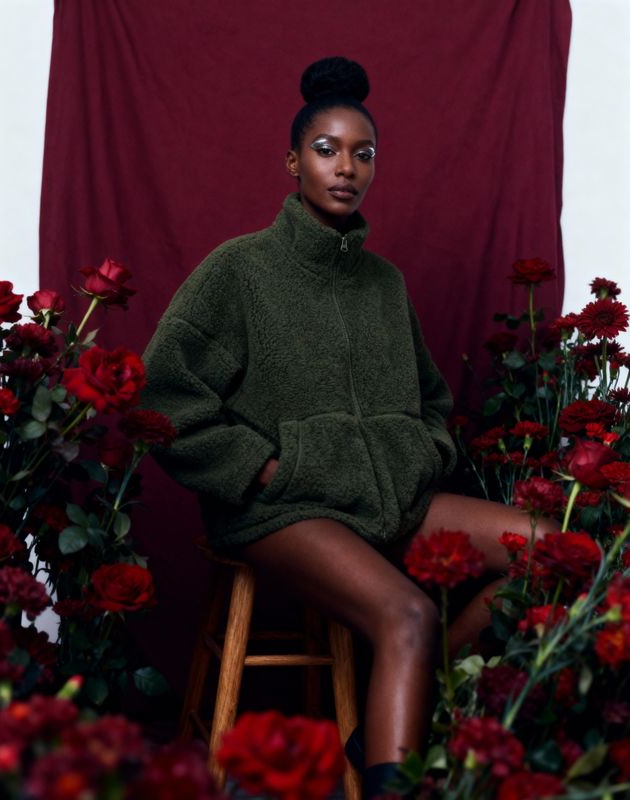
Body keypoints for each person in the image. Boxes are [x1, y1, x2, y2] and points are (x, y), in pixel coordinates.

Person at [142, 57, 557, 798]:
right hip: (283, 505)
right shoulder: (239, 270)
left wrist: (420, 453)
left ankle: (401, 713)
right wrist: (265, 468)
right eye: (327, 149)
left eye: (362, 153)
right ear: (293, 161)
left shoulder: (384, 283)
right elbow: (163, 395)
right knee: (408, 616)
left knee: (554, 553)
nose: (346, 168)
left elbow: (431, 401)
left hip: (389, 494)